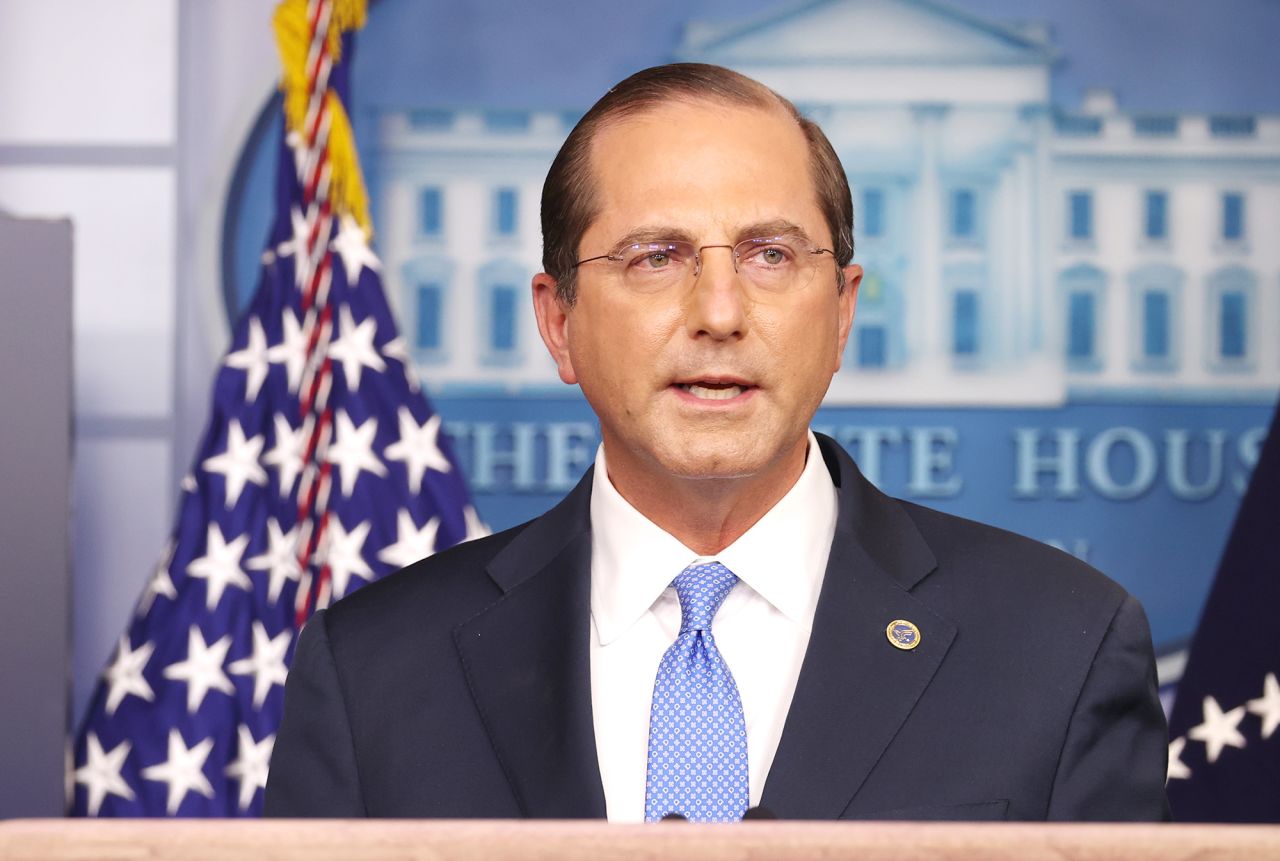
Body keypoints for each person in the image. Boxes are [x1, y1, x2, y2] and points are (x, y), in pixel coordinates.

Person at [265, 63, 1169, 821]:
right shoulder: (373, 672)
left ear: (843, 310)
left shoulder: (1060, 649)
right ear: (558, 321)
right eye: (655, 255)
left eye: (770, 254)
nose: (720, 313)